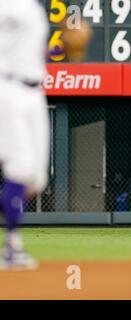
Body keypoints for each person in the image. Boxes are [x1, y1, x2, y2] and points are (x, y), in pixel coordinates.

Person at [0, 0, 50, 270]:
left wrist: (61, 48)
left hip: (35, 92)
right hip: (8, 88)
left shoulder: (34, 7)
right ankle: (12, 247)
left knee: (36, 179)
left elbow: (34, 51)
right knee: (19, 170)